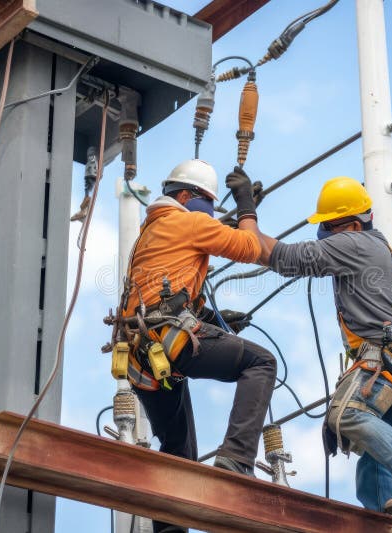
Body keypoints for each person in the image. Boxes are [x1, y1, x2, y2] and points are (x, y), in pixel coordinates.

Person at [258, 176, 392, 515]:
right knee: (374, 458)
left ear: (350, 224)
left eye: (329, 227)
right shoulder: (385, 252)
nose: (326, 236)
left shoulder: (356, 243)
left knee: (345, 414)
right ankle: (380, 520)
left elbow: (287, 258)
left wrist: (247, 218)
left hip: (387, 359)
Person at [117, 160, 276, 533]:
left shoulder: (152, 232)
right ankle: (236, 458)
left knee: (178, 450)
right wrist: (246, 209)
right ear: (185, 197)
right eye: (207, 201)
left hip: (144, 355)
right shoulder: (189, 222)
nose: (209, 212)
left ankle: (170, 530)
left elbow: (162, 294)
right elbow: (252, 247)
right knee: (261, 364)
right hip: (169, 342)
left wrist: (209, 321)